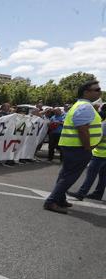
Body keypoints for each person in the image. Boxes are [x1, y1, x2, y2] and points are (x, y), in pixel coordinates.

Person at [44, 80, 103, 214]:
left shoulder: (80, 105)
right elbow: (82, 129)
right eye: (97, 89)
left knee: (65, 174)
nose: (100, 92)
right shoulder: (85, 106)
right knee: (70, 176)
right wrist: (88, 147)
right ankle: (51, 201)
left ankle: (59, 199)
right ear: (86, 92)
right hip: (79, 147)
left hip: (73, 146)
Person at [67, 113, 106, 201]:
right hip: (103, 155)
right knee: (103, 176)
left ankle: (81, 193)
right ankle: (98, 193)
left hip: (99, 154)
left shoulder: (104, 124)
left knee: (91, 175)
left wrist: (89, 147)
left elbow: (99, 138)